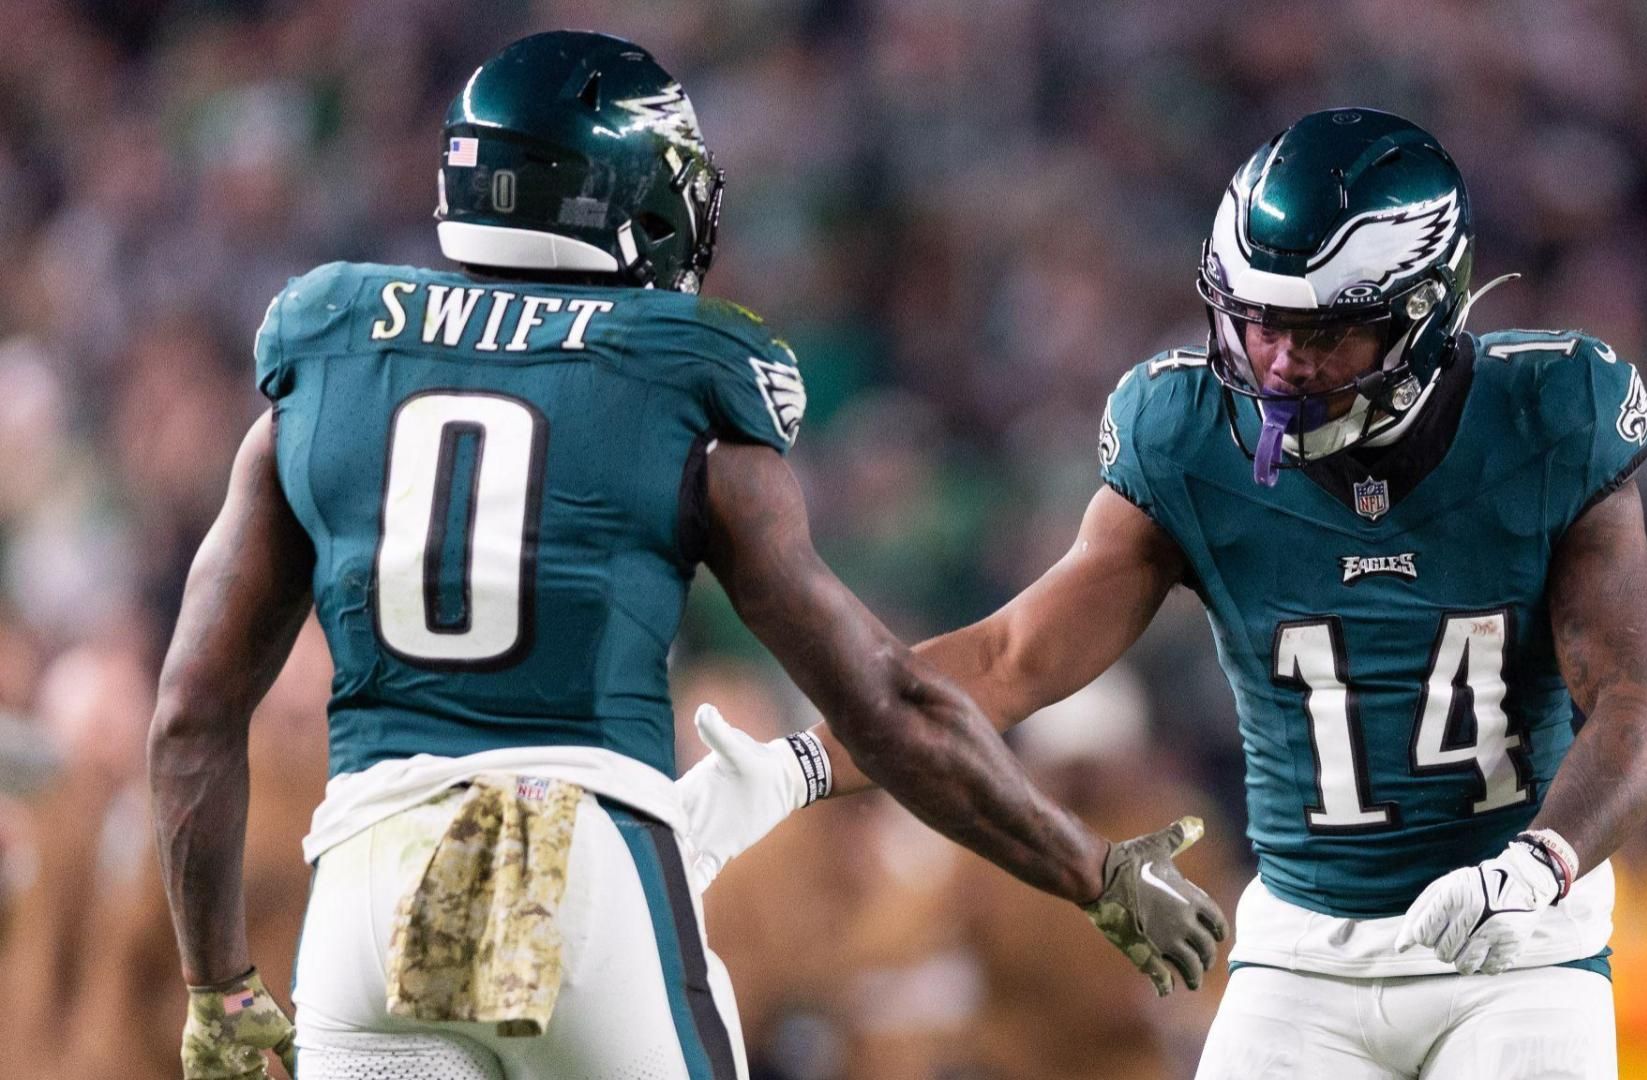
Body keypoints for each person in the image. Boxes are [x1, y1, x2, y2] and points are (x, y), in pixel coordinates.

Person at [145, 30, 1223, 1080]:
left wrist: (218, 988)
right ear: (630, 195)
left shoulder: (324, 368)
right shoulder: (682, 389)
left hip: (365, 898)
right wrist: (1091, 872)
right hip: (571, 870)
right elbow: (889, 707)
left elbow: (193, 712)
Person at [679, 109, 1647, 1079]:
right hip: (1305, 950)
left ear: (1421, 314)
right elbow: (1008, 660)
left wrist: (1542, 863)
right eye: (1255, 322)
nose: (1279, 361)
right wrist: (802, 763)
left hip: (1510, 945)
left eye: (1320, 333)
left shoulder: (1550, 415)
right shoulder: (1186, 435)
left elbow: (1640, 703)